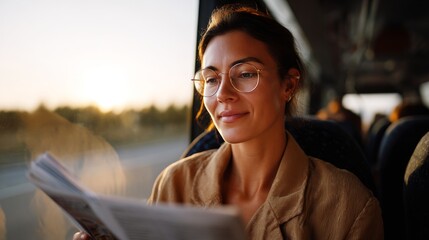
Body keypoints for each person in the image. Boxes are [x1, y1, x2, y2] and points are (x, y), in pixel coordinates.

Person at [74, 4, 383, 240]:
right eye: (211, 79)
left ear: (288, 86)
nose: (222, 94)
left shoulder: (348, 206)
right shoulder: (174, 186)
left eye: (245, 74)